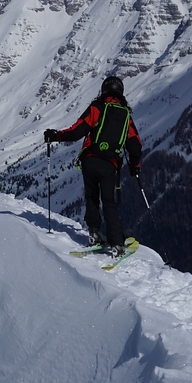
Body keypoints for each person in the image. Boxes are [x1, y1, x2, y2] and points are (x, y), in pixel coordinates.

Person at [44, 76, 142, 256]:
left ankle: (94, 233)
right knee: (108, 202)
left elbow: (76, 132)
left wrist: (55, 136)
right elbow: (135, 144)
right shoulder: (125, 116)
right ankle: (117, 243)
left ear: (103, 90)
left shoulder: (97, 108)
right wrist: (135, 165)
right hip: (109, 165)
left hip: (90, 160)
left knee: (91, 196)